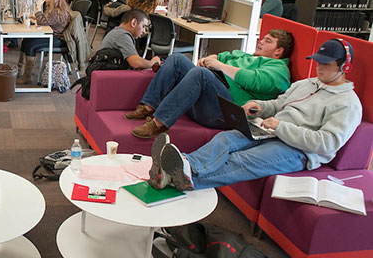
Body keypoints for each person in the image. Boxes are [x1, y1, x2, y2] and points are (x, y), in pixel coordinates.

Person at [151, 39, 362, 191]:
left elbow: (327, 143)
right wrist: (259, 106)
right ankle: (184, 165)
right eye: (318, 62)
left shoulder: (347, 103)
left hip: (299, 149)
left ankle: (175, 177)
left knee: (241, 160)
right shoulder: (307, 84)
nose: (319, 68)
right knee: (227, 138)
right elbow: (280, 103)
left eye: (326, 64)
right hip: (270, 130)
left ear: (345, 66)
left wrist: (281, 127)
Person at [126, 29, 295, 138]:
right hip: (204, 100)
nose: (261, 41)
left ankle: (159, 123)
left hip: (223, 114)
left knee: (201, 74)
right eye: (263, 38)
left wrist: (219, 66)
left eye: (268, 41)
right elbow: (220, 56)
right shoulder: (245, 56)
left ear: (279, 51)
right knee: (177, 59)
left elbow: (253, 80)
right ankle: (148, 106)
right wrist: (210, 59)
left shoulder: (278, 68)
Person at [17, 0, 71, 84]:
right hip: (53, 35)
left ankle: (27, 77)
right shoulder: (54, 7)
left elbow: (43, 23)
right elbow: (47, 21)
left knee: (30, 45)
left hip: (59, 39)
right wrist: (35, 16)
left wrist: (38, 8)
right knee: (26, 41)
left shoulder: (58, 11)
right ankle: (21, 71)